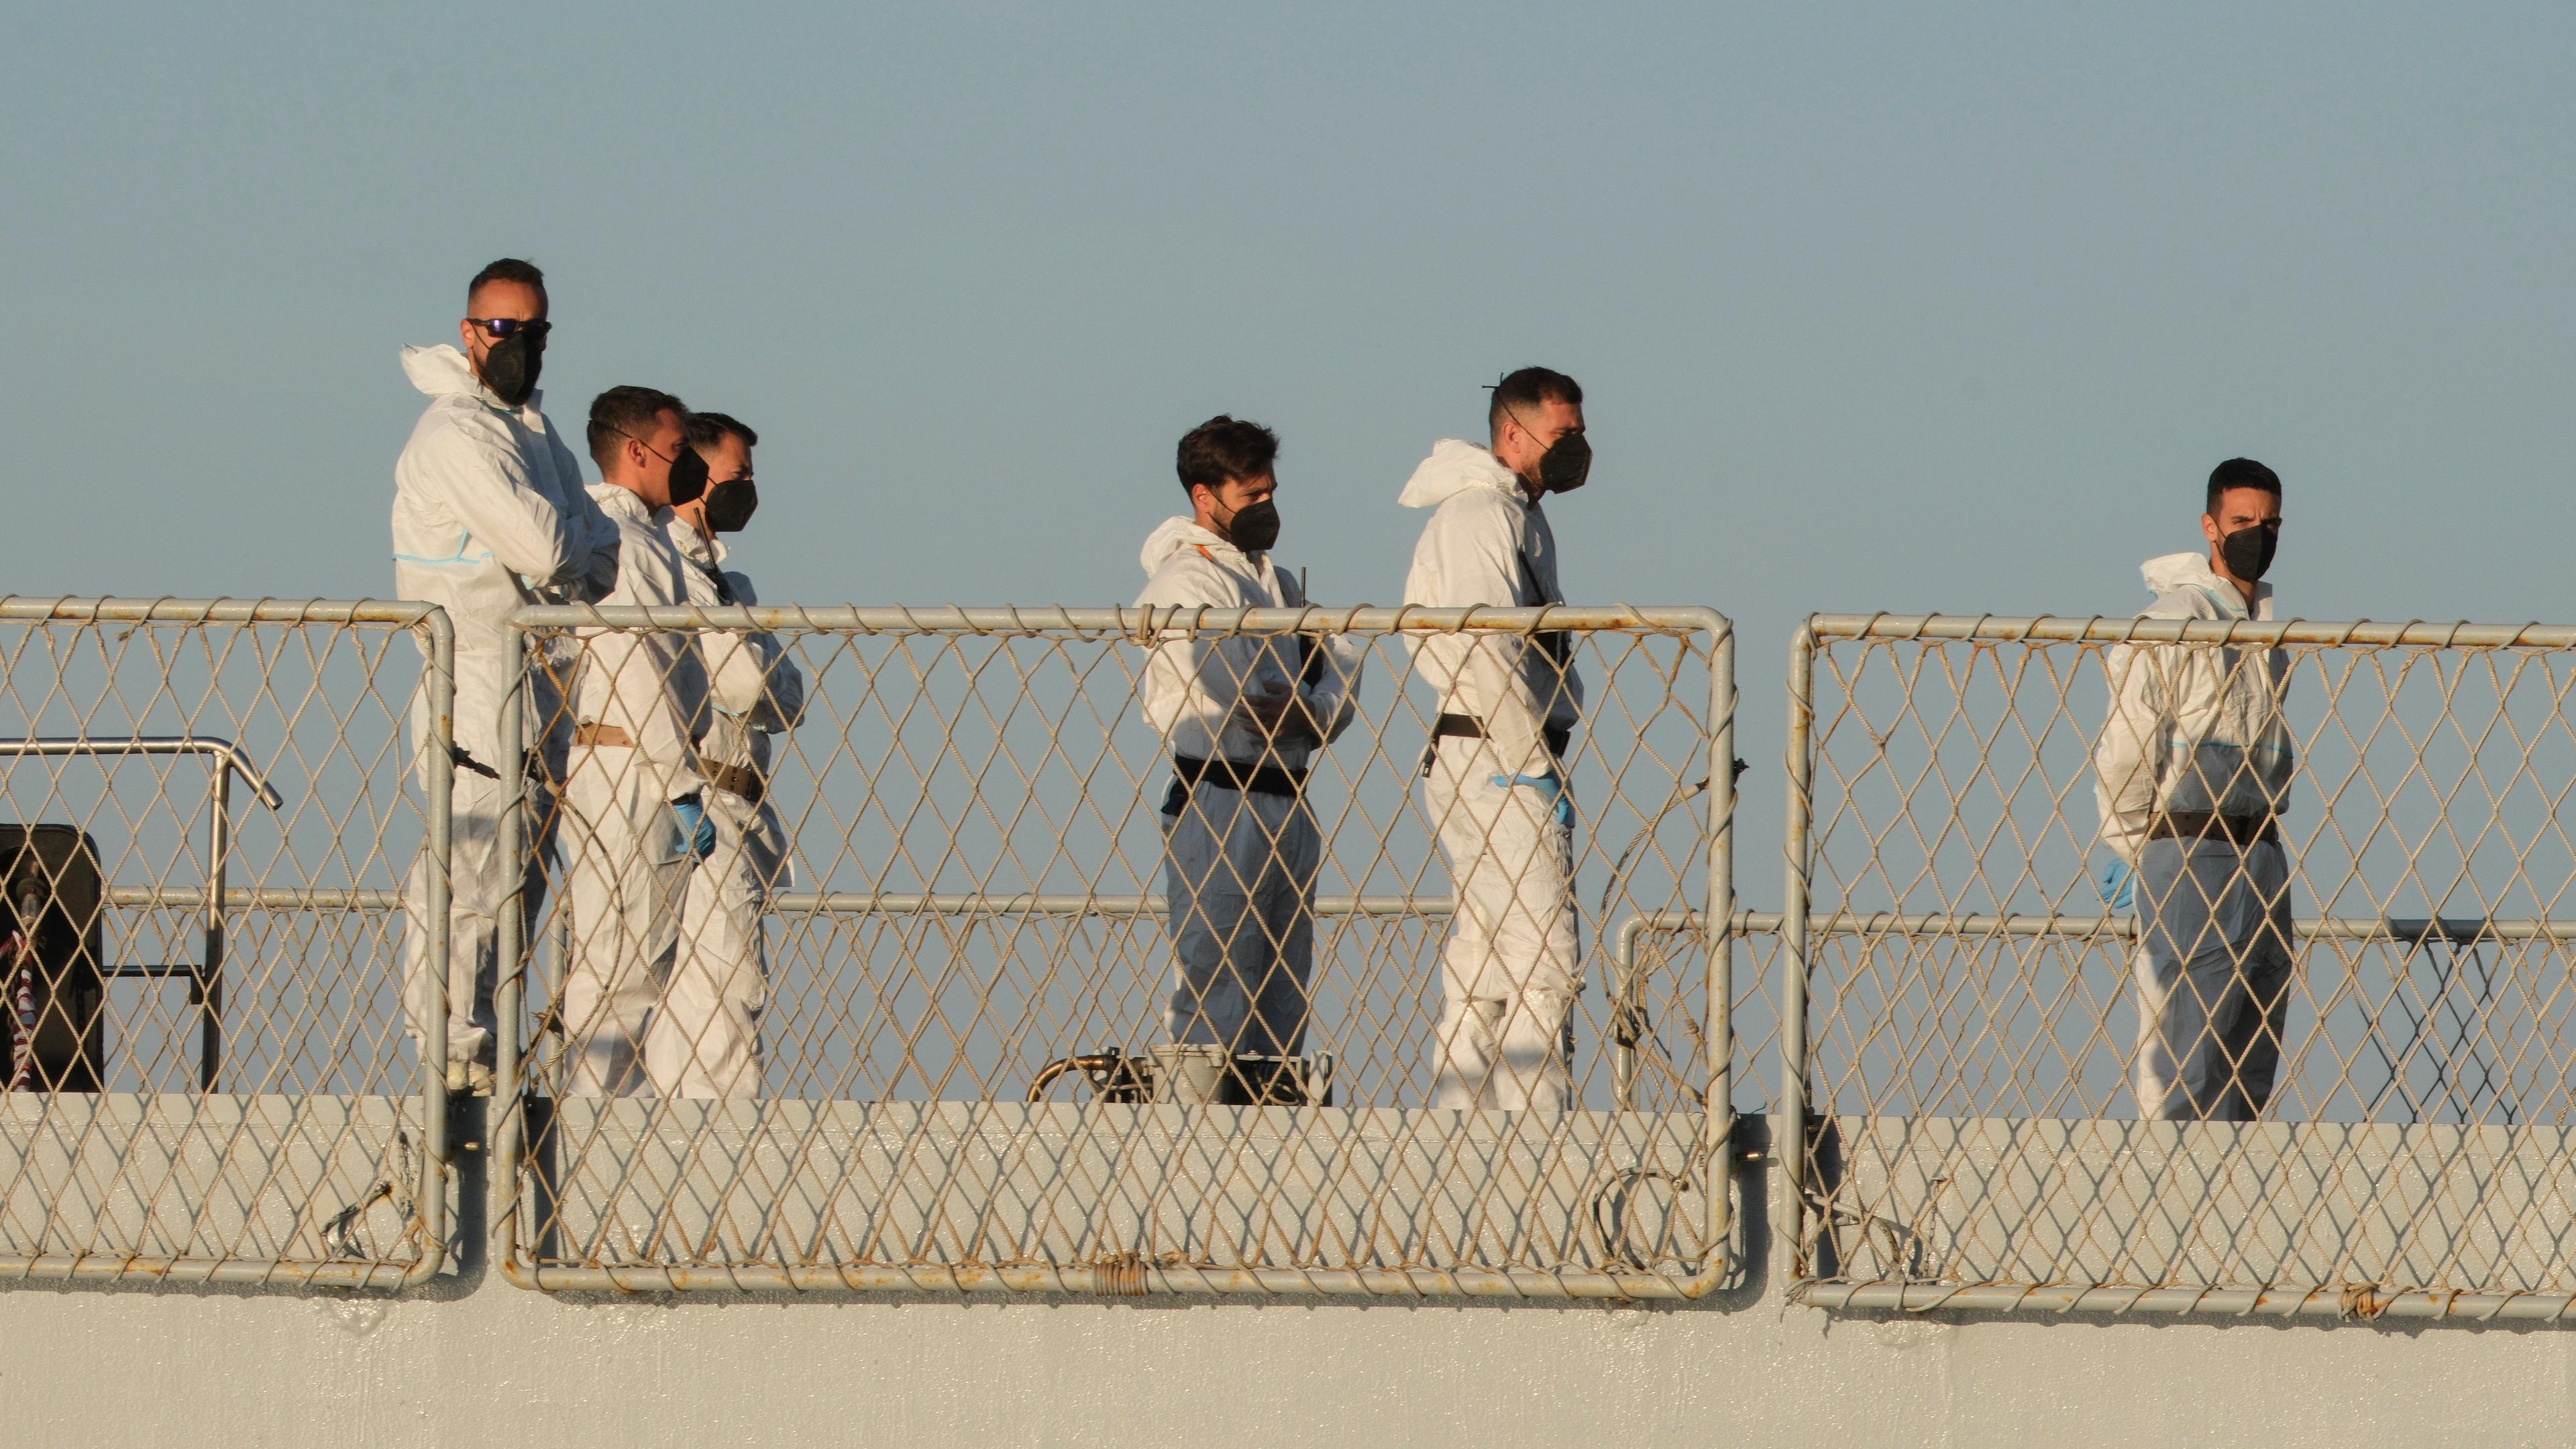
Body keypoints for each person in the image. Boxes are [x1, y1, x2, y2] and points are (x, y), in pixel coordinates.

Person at [391, 258, 619, 1095]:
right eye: (501, 329)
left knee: (521, 880)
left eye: (532, 332)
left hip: (543, 677)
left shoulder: (535, 433)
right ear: (468, 333)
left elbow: (603, 554)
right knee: (471, 871)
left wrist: (568, 540)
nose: (516, 345)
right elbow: (556, 550)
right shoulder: (456, 434)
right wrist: (567, 540)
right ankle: (449, 1053)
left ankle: (490, 1060)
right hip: (477, 679)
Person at [1134, 416, 1360, 1103]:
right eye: (1252, 497)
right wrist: (1301, 702)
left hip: (1288, 796)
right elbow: (1236, 690)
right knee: (1217, 981)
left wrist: (1310, 711)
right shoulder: (1185, 580)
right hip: (1219, 794)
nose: (1268, 510)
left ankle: (1269, 1143)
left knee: (1283, 988)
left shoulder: (1278, 584)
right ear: (1206, 496)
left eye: (1272, 494)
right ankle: (1198, 1139)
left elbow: (1343, 661)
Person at [1398, 368, 1591, 1111]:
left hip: (1487, 752)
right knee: (1546, 959)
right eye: (1563, 435)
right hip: (1497, 751)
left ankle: (1464, 1130)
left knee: (1482, 962)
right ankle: (1536, 1135)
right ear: (1513, 435)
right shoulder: (1481, 514)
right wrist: (1529, 763)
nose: (1577, 448)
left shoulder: (1518, 513)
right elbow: (1489, 646)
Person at [2092, 458, 2296, 1121]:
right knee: (2188, 1055)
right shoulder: (2174, 621)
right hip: (2190, 844)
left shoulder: (2266, 630)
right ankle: (2176, 1207)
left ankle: (2235, 1205)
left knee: (2252, 1050)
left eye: (2269, 524)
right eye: (2242, 522)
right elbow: (2127, 750)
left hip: (2260, 848)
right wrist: (2137, 852)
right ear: (2210, 526)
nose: (2255, 535)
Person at [559, 387, 716, 1097]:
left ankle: (598, 1111)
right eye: (680, 452)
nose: (689, 469)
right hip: (634, 762)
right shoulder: (629, 542)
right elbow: (639, 666)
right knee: (627, 964)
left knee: (616, 958)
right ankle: (597, 1123)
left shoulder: (620, 534)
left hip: (618, 758)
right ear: (636, 451)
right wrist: (681, 783)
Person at [659, 412, 804, 1098]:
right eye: (739, 474)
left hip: (745, 801)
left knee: (722, 993)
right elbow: (748, 683)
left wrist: (755, 667)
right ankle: (717, 1154)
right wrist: (757, 666)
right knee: (720, 994)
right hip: (705, 798)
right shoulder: (675, 569)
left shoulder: (727, 583)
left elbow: (789, 699)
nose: (750, 488)